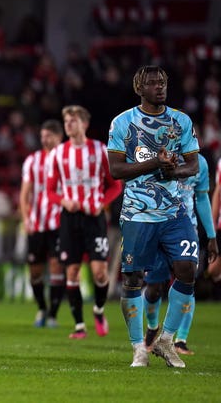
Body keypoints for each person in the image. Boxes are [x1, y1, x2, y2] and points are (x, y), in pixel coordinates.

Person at [108, 65, 201, 368]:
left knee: (187, 270)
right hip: (137, 213)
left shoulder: (181, 121)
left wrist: (174, 171)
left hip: (175, 211)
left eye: (162, 82)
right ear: (139, 88)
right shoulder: (123, 122)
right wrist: (155, 166)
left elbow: (194, 166)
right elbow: (116, 170)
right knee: (134, 278)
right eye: (152, 83)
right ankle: (139, 348)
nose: (159, 87)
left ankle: (166, 339)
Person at [46, 105, 122, 339]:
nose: (68, 124)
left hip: (94, 218)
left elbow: (115, 186)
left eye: (73, 120)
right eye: (66, 120)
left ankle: (98, 310)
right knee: (73, 271)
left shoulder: (100, 150)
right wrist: (63, 201)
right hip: (70, 218)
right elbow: (50, 191)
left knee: (100, 272)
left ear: (84, 124)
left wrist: (101, 203)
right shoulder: (58, 153)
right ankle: (79, 325)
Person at [143, 154, 218, 355]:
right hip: (158, 227)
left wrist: (211, 236)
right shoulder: (159, 157)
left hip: (187, 228)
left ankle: (180, 340)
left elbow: (202, 198)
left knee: (187, 281)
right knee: (153, 288)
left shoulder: (200, 162)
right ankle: (152, 327)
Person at [19, 119, 65, 328]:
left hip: (59, 223)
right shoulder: (32, 161)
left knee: (57, 266)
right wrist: (26, 218)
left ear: (59, 137)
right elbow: (24, 194)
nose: (45, 139)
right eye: (43, 136)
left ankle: (53, 314)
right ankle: (41, 308)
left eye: (49, 136)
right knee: (35, 271)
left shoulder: (67, 159)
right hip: (36, 224)